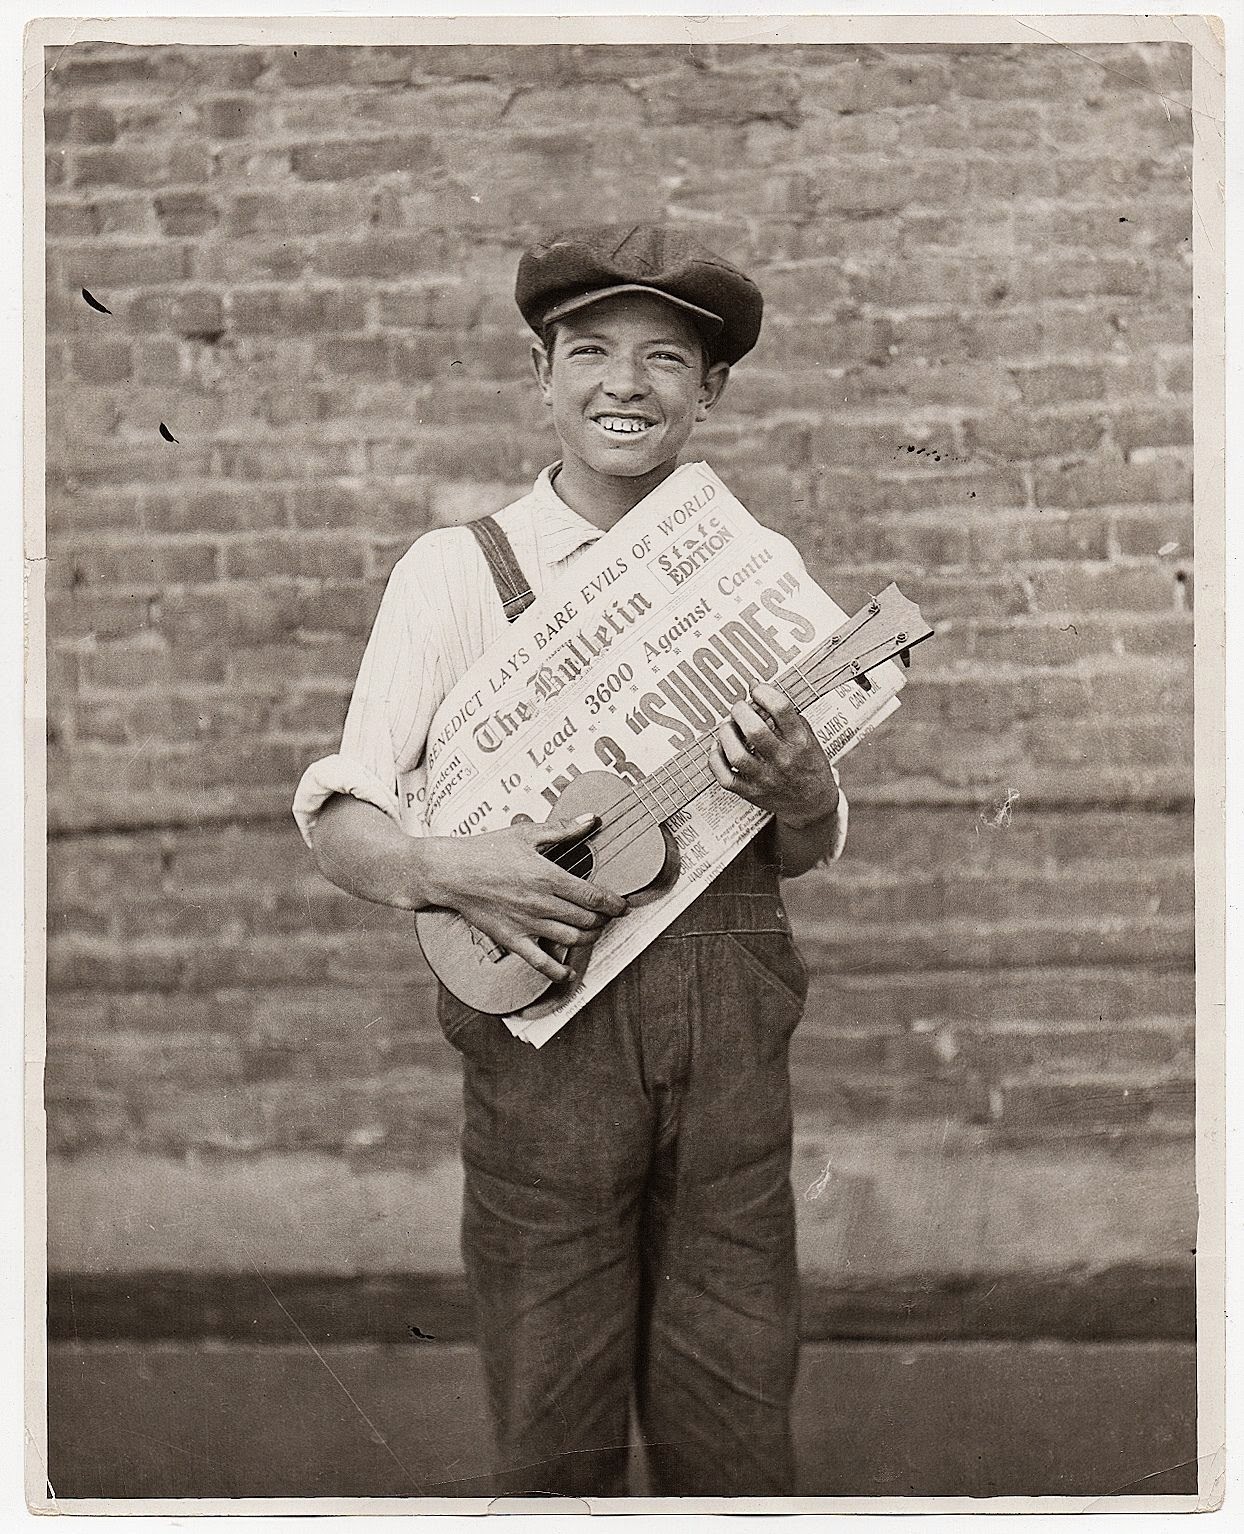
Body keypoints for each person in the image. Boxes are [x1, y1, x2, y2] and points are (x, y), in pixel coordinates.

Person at [293, 225, 848, 1498]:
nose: (624, 384)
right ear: (539, 375)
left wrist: (805, 790)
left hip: (728, 1053)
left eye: (665, 359)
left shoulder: (753, 578)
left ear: (708, 392)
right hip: (545, 1041)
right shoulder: (453, 574)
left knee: (737, 1415)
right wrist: (446, 869)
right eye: (588, 350)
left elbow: (803, 848)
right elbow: (342, 817)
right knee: (554, 1427)